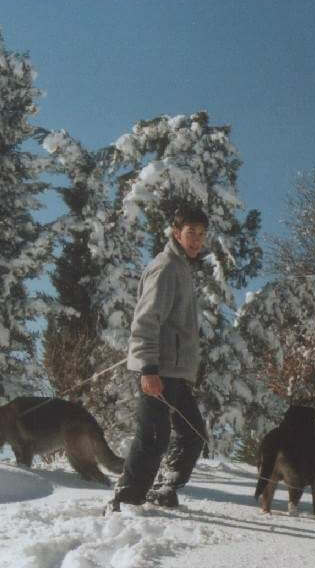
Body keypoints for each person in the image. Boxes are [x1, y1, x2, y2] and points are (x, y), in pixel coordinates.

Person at [106, 205, 209, 513]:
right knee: (153, 436)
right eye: (191, 233)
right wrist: (148, 368)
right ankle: (125, 500)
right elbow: (146, 321)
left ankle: (164, 488)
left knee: (192, 434)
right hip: (158, 370)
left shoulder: (182, 268)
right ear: (177, 233)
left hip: (176, 372)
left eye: (201, 235)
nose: (196, 240)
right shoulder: (166, 267)